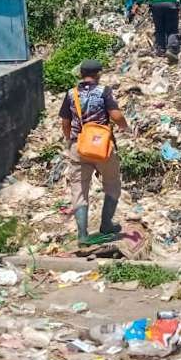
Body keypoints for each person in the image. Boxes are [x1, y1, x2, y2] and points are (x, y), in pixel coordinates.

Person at [60, 60, 130, 243]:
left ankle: (83, 235)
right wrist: (125, 127)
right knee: (112, 183)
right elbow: (116, 116)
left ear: (81, 73)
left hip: (79, 147)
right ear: (98, 74)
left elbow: (65, 123)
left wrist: (70, 141)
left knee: (79, 190)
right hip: (101, 146)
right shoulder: (103, 91)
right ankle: (106, 224)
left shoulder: (71, 94)